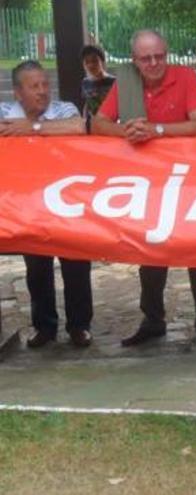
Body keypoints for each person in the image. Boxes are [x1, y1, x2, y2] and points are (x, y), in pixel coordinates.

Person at [92, 30, 196, 347]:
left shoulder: (185, 76)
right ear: (134, 60)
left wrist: (156, 130)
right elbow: (98, 124)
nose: (153, 63)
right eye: (146, 58)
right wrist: (127, 131)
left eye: (159, 56)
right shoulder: (128, 82)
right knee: (150, 253)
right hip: (146, 184)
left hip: (188, 182)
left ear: (167, 54)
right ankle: (153, 320)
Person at [0, 61, 92, 348]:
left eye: (44, 84)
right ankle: (45, 327)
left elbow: (79, 127)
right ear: (17, 92)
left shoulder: (64, 110)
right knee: (36, 267)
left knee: (76, 263)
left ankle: (79, 326)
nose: (42, 92)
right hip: (26, 205)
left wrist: (33, 127)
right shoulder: (4, 114)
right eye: (34, 86)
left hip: (66, 199)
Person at [80, 45, 116, 118]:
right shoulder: (85, 83)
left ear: (102, 62)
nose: (91, 65)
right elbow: (87, 103)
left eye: (94, 61)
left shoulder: (114, 82)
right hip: (92, 124)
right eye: (87, 62)